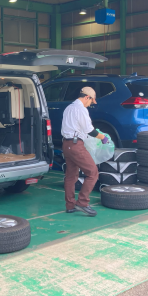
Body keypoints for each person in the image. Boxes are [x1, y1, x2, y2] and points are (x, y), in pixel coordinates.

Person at [61, 86, 108, 216]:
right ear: (87, 97)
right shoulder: (81, 109)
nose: (90, 104)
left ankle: (70, 205)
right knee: (93, 173)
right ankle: (82, 203)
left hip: (66, 144)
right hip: (76, 145)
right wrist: (103, 138)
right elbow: (89, 130)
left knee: (71, 176)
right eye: (91, 101)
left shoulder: (69, 108)